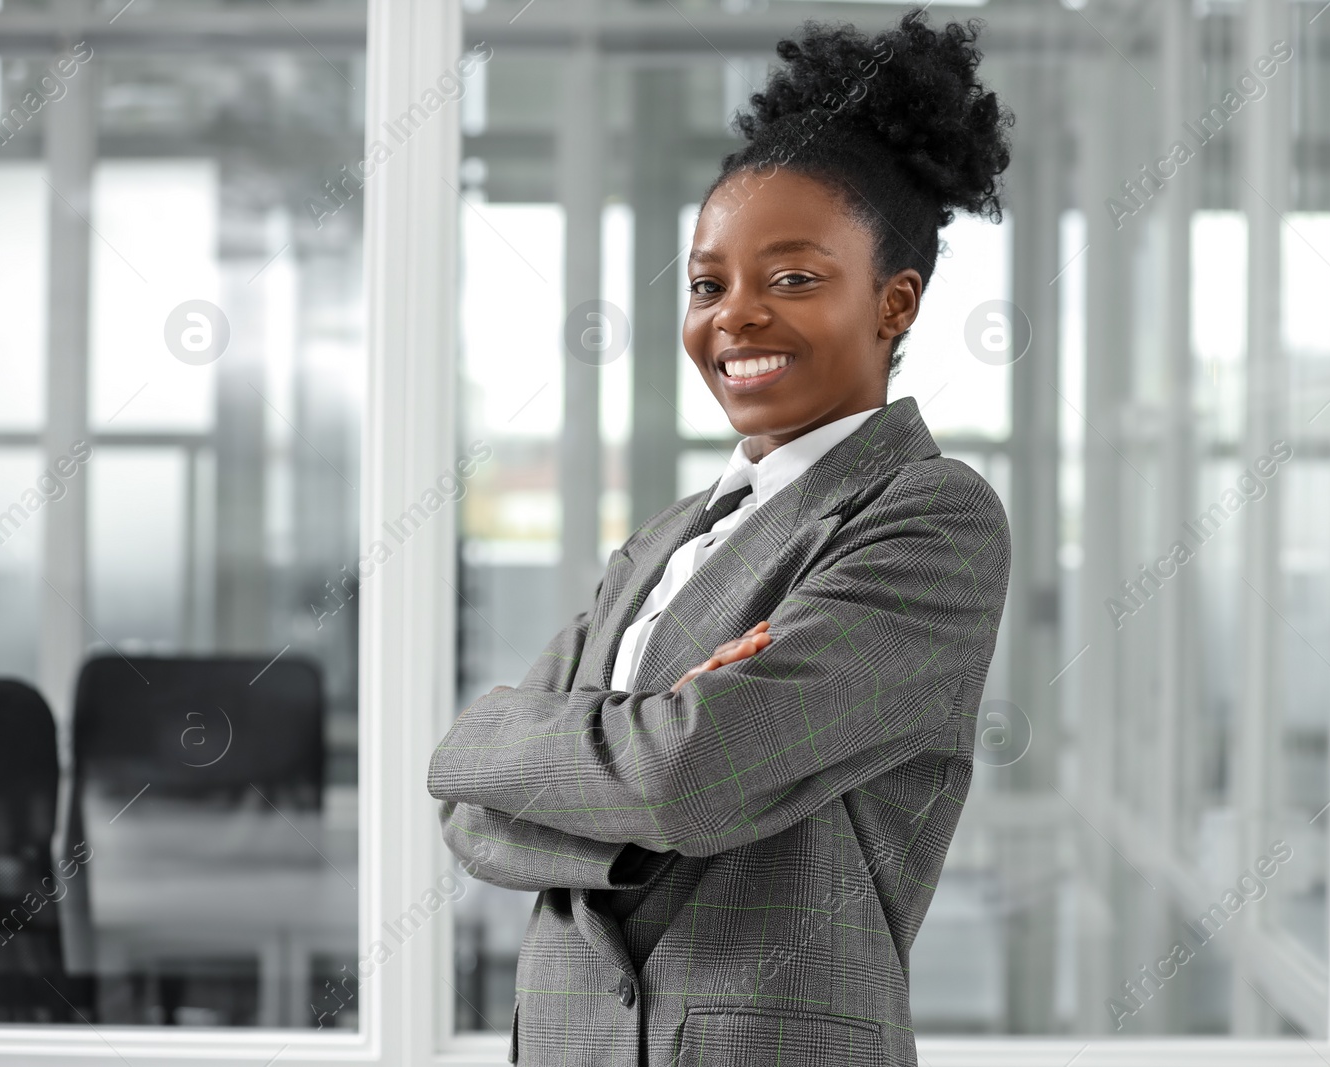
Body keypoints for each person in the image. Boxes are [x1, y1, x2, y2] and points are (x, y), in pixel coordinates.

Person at [428, 10, 1014, 1064]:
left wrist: (514, 734)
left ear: (894, 302)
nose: (734, 315)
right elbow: (468, 815)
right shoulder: (661, 542)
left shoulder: (925, 514)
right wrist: (596, 753)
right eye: (709, 283)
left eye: (791, 278)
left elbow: (689, 774)